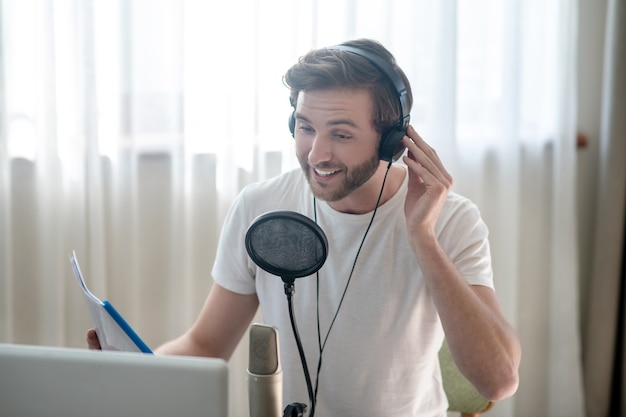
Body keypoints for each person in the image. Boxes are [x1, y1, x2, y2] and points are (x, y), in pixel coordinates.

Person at [88, 38, 521, 416]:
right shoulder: (260, 207)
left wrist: (422, 237)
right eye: (306, 127)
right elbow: (205, 346)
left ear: (393, 141)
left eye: (342, 134)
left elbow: (498, 381)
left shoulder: (450, 219)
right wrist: (133, 373)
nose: (316, 154)